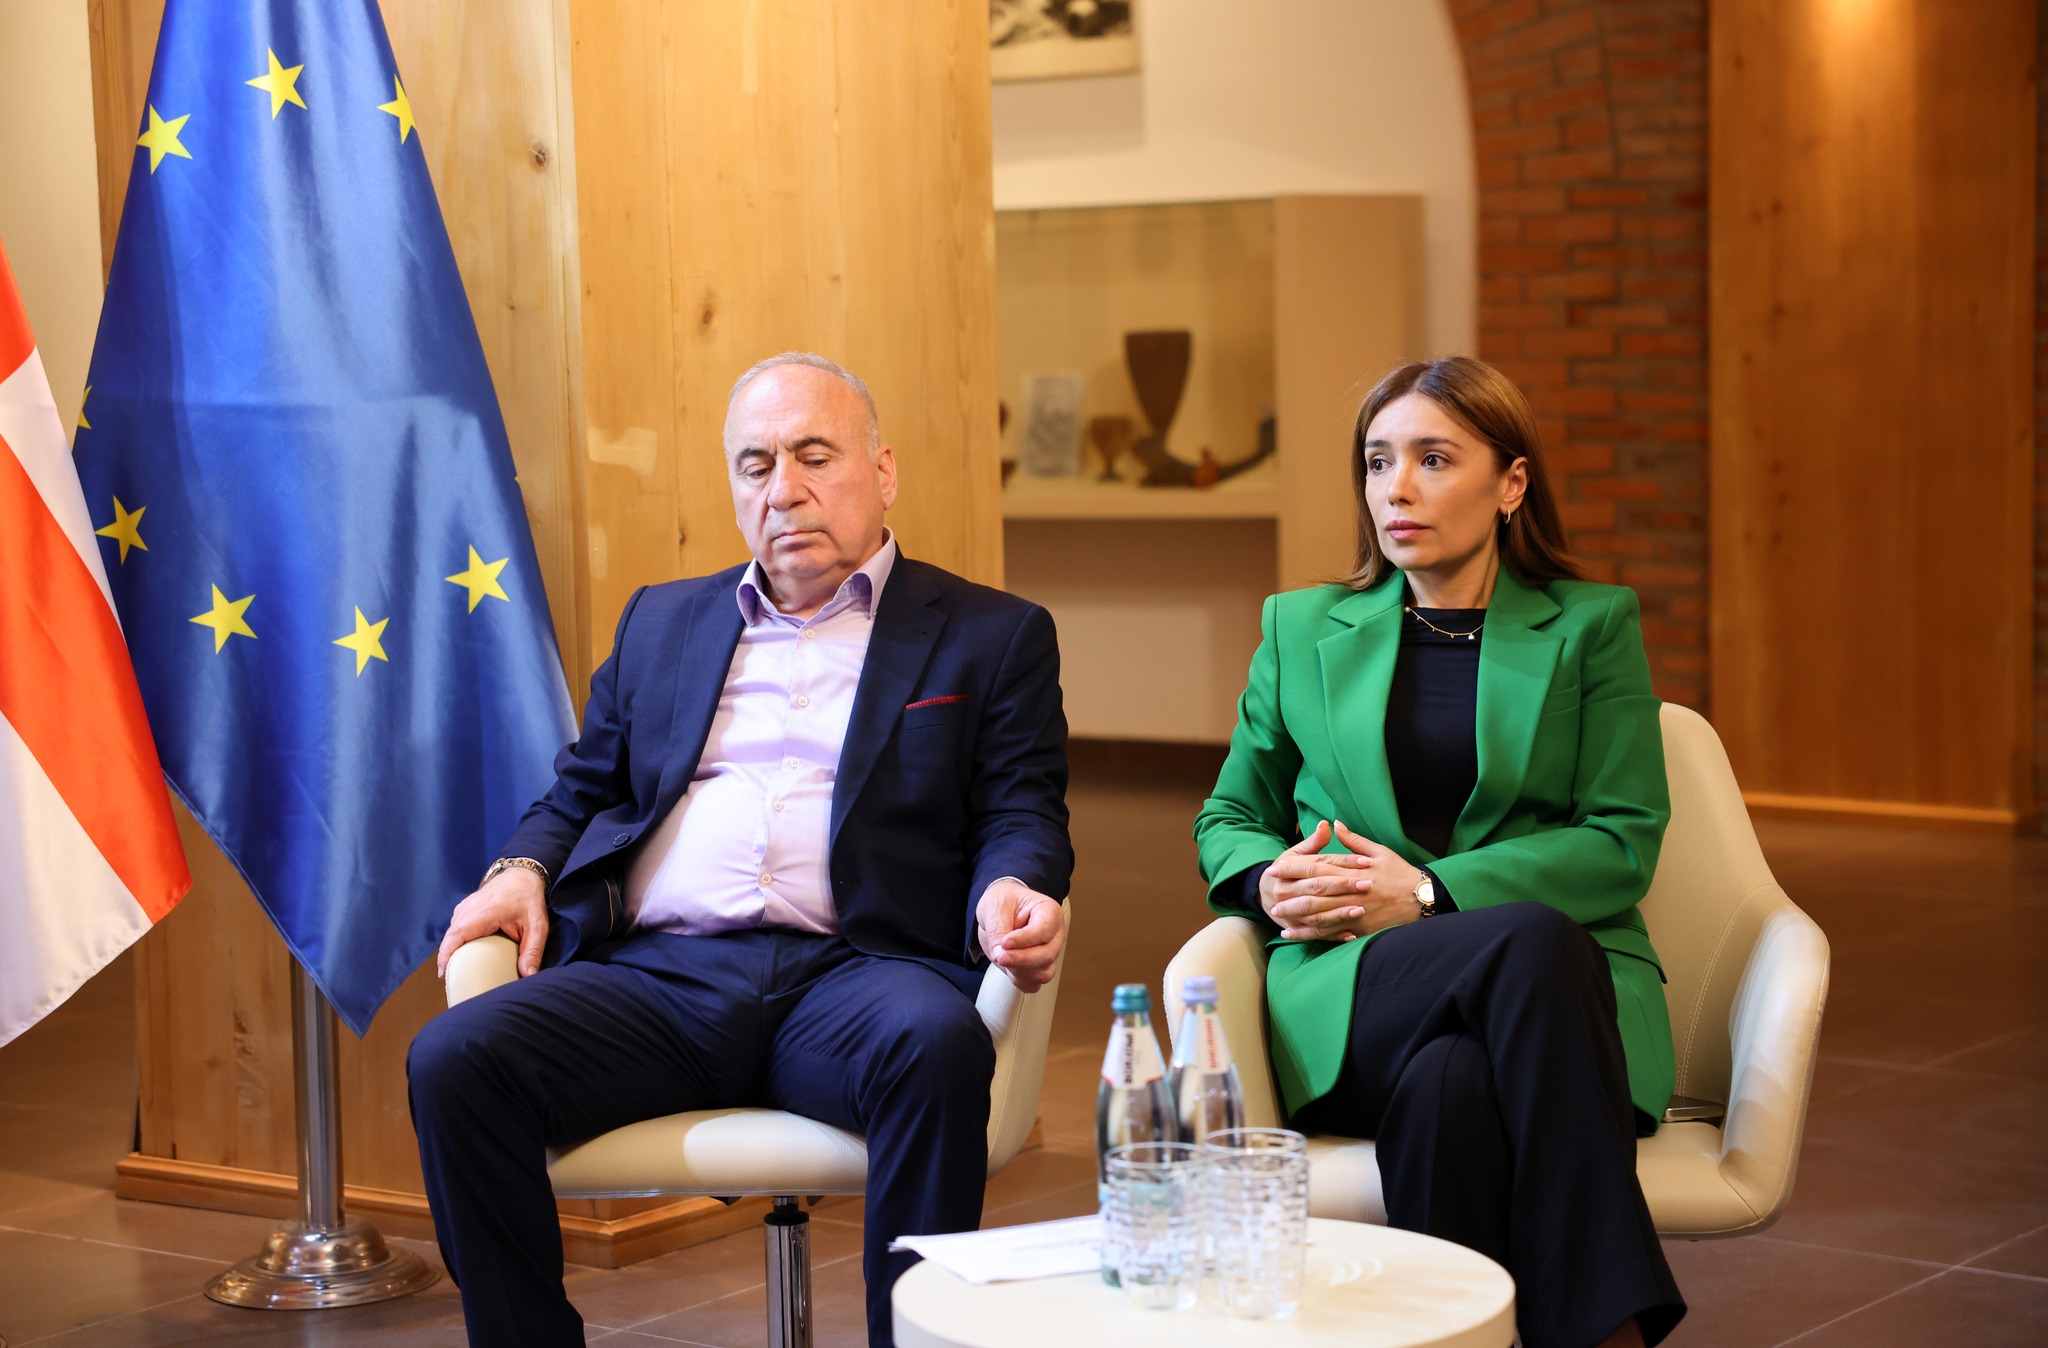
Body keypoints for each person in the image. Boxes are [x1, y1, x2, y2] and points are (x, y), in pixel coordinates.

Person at [409, 352, 1073, 1348]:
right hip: (662, 981)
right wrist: (521, 869)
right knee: (455, 1060)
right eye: (755, 465)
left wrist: (1010, 885)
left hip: (858, 973)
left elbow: (1020, 807)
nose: (783, 489)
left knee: (935, 1046)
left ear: (882, 471)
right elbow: (582, 788)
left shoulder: (989, 634)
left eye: (814, 456)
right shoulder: (662, 620)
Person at [1193, 356, 1685, 1348]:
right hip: (1354, 984)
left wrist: (1427, 890)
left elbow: (1620, 841)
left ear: (1511, 483)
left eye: (1433, 459)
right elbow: (1229, 815)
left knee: (1449, 1090)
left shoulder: (1591, 625)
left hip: (1552, 1006)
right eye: (1378, 462)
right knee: (1531, 943)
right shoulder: (1298, 627)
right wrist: (1264, 878)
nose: (1396, 489)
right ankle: (1610, 1328)